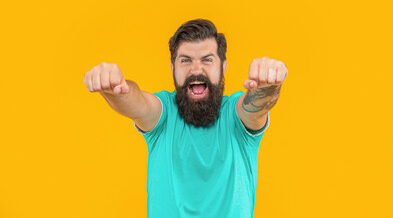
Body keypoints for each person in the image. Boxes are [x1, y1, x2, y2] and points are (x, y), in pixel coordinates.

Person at [83, 18, 288, 218]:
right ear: (173, 68)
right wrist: (114, 88)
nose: (196, 69)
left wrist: (269, 85)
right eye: (186, 60)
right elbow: (135, 101)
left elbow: (257, 106)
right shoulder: (163, 115)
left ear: (223, 67)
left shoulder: (235, 117)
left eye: (207, 60)